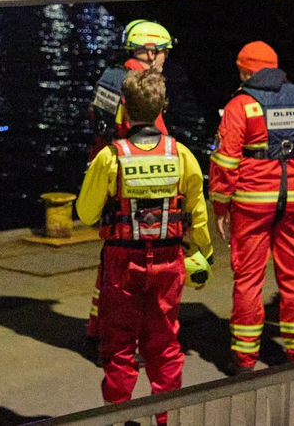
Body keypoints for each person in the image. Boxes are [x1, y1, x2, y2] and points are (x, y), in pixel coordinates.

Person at [77, 70, 212, 422]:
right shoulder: (181, 155)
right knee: (165, 344)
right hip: (169, 262)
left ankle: (118, 416)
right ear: (161, 107)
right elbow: (198, 210)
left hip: (123, 263)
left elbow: (86, 212)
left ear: (124, 107)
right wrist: (204, 252)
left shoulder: (111, 157)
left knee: (119, 346)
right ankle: (165, 418)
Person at [209, 41, 294, 372]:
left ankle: (245, 357)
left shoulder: (241, 105)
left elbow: (225, 160)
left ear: (246, 70)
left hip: (251, 203)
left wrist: (220, 204)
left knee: (248, 279)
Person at [86, 19, 175, 339]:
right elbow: (156, 141)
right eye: (163, 52)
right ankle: (125, 339)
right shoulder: (140, 88)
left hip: (107, 176)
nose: (165, 59)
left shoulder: (109, 80)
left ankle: (98, 329)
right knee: (133, 272)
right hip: (134, 188)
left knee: (110, 264)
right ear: (150, 52)